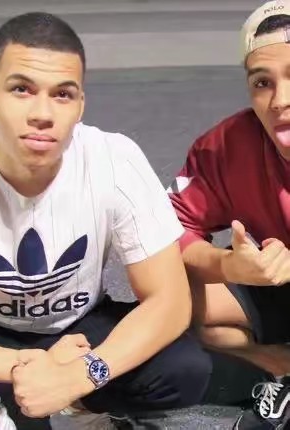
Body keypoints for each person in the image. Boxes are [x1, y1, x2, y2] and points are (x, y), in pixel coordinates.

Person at [0, 11, 211, 430]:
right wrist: (23, 366)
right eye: (21, 89)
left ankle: (78, 408)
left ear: (80, 105)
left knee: (183, 369)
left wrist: (84, 373)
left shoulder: (114, 160)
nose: (42, 113)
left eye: (62, 94)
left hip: (79, 326)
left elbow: (170, 302)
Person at [168, 1, 290, 429]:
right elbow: (167, 231)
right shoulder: (225, 146)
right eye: (263, 82)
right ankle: (280, 369)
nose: (281, 100)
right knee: (173, 302)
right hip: (272, 285)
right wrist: (228, 265)